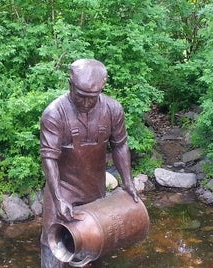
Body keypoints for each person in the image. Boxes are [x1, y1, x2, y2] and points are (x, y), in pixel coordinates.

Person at [39, 59, 140, 267]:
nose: (85, 103)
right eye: (81, 96)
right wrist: (58, 198)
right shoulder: (54, 113)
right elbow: (49, 157)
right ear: (70, 85)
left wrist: (128, 181)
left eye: (91, 98)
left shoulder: (113, 109)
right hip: (62, 189)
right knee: (53, 247)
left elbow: (120, 145)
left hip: (94, 190)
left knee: (93, 247)